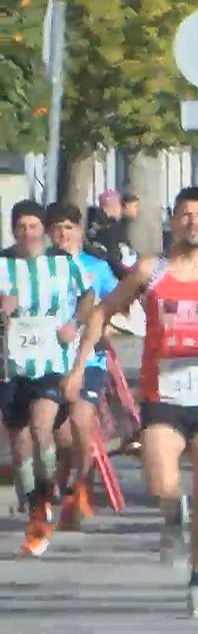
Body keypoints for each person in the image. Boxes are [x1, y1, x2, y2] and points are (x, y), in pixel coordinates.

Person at [64, 187, 198, 620]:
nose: (193, 222)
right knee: (161, 482)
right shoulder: (151, 270)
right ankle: (174, 515)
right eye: (185, 214)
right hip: (164, 394)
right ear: (173, 220)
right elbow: (102, 311)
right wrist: (80, 367)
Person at [3, 201, 95, 557]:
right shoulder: (3, 264)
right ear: (13, 230)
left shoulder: (63, 262)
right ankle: (33, 501)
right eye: (21, 227)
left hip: (51, 360)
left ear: (43, 229)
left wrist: (75, 323)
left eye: (33, 226)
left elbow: (88, 296)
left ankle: (47, 492)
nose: (28, 233)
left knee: (42, 426)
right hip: (10, 366)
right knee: (20, 441)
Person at [42, 204, 118, 532]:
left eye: (69, 227)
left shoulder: (96, 267)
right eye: (57, 228)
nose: (63, 234)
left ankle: (83, 485)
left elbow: (117, 304)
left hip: (88, 359)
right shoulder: (38, 265)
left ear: (80, 230)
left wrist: (104, 325)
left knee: (80, 418)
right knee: (59, 434)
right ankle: (59, 483)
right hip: (47, 361)